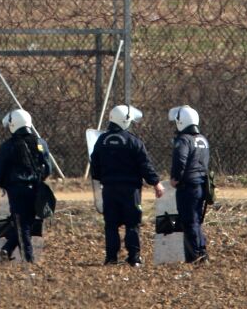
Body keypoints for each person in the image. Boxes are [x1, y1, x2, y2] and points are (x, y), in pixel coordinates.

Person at [90, 105, 165, 266]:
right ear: (124, 121)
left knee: (111, 225)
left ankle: (111, 258)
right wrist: (156, 183)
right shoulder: (133, 141)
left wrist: (102, 180)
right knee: (132, 224)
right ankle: (134, 258)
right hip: (131, 191)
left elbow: (94, 168)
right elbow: (145, 165)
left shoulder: (101, 140)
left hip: (109, 190)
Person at [0, 109, 53, 263]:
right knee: (26, 222)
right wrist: (40, 180)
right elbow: (48, 167)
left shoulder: (8, 146)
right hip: (35, 188)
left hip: (16, 189)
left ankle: (26, 259)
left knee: (21, 223)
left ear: (13, 125)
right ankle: (13, 252)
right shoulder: (40, 143)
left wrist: (4, 185)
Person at [168, 105, 210, 263]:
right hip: (200, 186)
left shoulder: (184, 140)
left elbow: (180, 160)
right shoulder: (202, 140)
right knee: (196, 220)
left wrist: (175, 178)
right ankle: (201, 251)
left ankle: (194, 256)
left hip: (187, 186)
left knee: (189, 221)